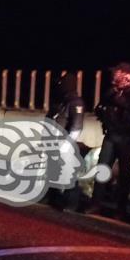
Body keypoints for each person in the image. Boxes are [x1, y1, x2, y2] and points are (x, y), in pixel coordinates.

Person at [92, 62, 130, 220]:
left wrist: (124, 102)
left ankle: (121, 209)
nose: (114, 76)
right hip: (110, 134)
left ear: (127, 76)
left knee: (124, 173)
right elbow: (99, 107)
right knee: (102, 168)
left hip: (126, 136)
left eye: (118, 73)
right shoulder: (111, 92)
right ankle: (95, 204)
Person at [46, 72, 85, 210]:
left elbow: (76, 127)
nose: (59, 85)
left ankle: (69, 202)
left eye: (62, 82)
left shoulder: (75, 102)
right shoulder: (61, 100)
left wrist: (66, 146)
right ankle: (54, 197)